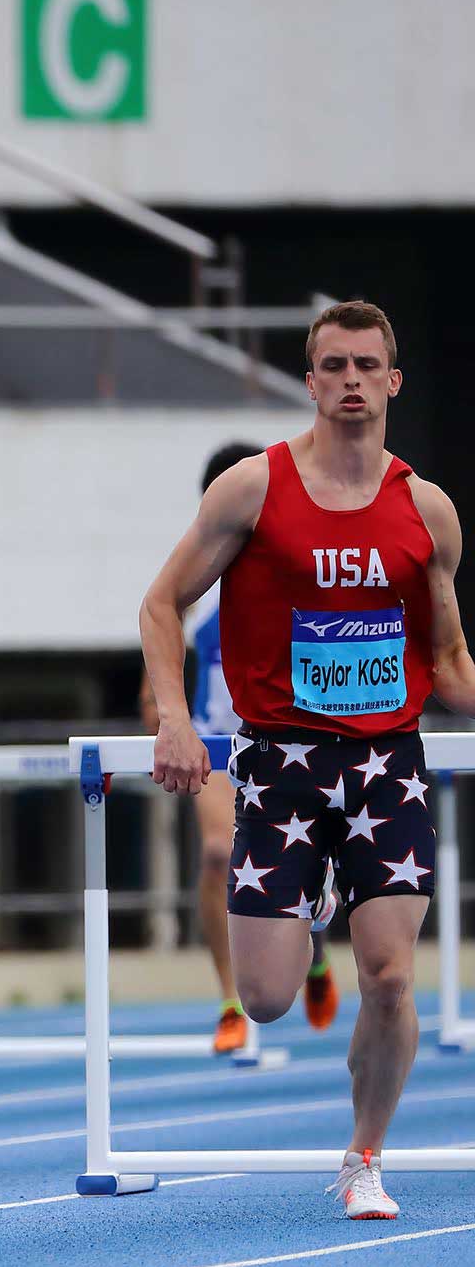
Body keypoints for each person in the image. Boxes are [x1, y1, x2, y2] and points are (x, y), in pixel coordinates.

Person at [140, 300, 473, 1220]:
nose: (353, 380)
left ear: (394, 381)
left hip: (387, 763)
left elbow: (448, 666)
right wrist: (173, 715)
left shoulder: (427, 511)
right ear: (313, 378)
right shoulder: (252, 489)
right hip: (283, 765)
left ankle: (365, 1154)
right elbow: (160, 606)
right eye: (335, 366)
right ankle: (317, 896)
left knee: (391, 976)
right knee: (268, 997)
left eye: (369, 364)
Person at [143, 444, 339, 1054]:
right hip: (218, 753)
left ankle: (312, 942)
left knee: (299, 869)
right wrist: (162, 713)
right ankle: (229, 998)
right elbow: (162, 629)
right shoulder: (200, 583)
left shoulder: (292, 569)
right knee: (211, 853)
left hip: (284, 748)